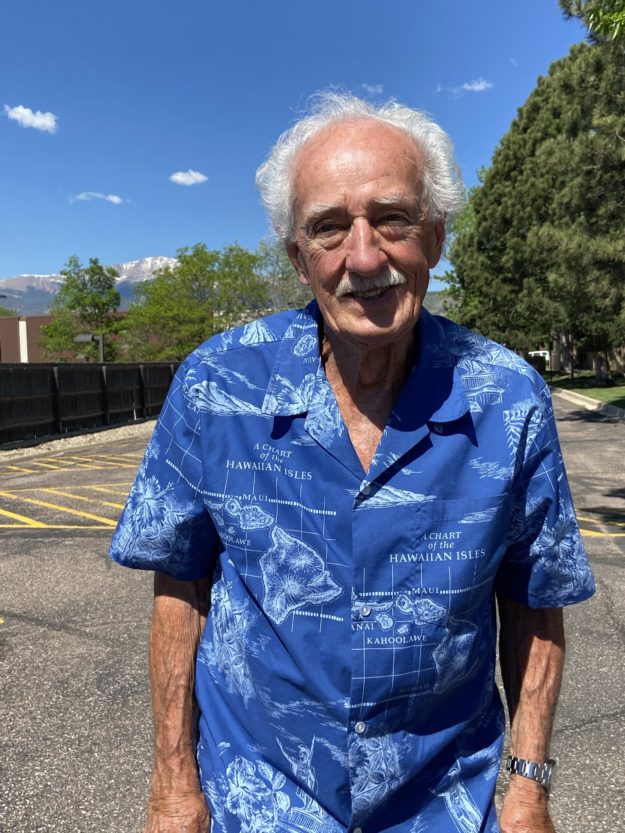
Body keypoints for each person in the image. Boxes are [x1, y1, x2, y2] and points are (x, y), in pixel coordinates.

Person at [110, 93, 595, 833]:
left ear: (435, 237)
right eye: (329, 228)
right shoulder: (216, 386)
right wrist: (173, 782)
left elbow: (534, 599)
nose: (364, 257)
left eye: (392, 219)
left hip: (442, 803)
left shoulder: (508, 398)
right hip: (257, 799)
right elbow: (181, 583)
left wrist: (528, 790)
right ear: (297, 258)